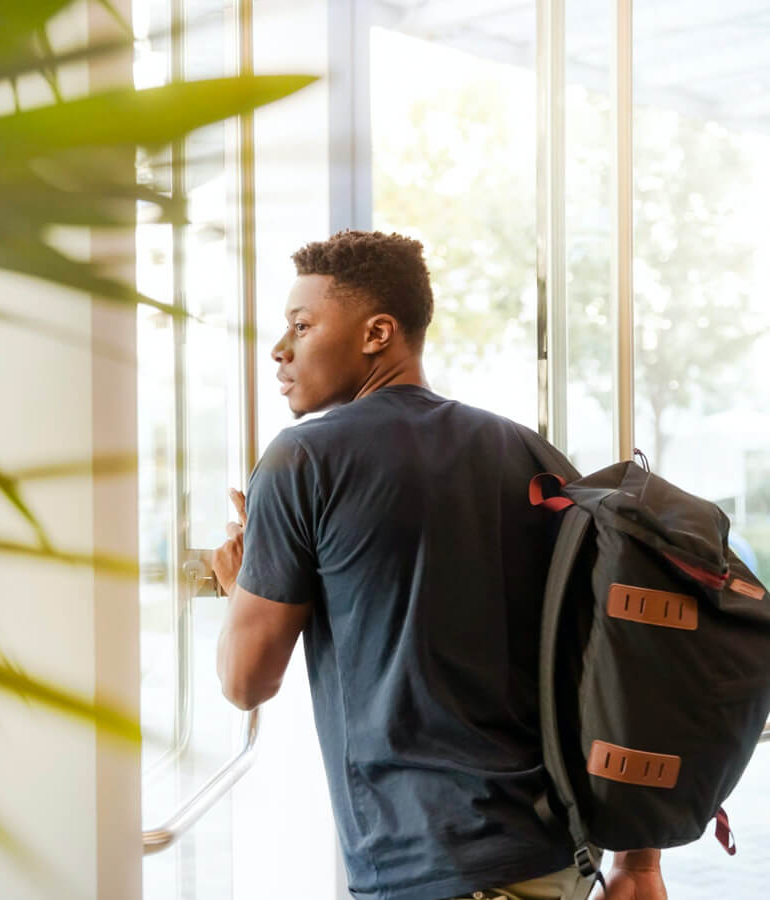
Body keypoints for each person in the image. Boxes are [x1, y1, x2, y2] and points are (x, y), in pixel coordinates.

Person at [211, 230, 667, 900]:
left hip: (432, 867)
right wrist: (640, 863)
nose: (280, 350)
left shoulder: (302, 462)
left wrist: (239, 588)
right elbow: (618, 654)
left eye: (302, 326)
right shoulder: (531, 455)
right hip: (558, 857)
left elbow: (244, 682)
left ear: (378, 333)